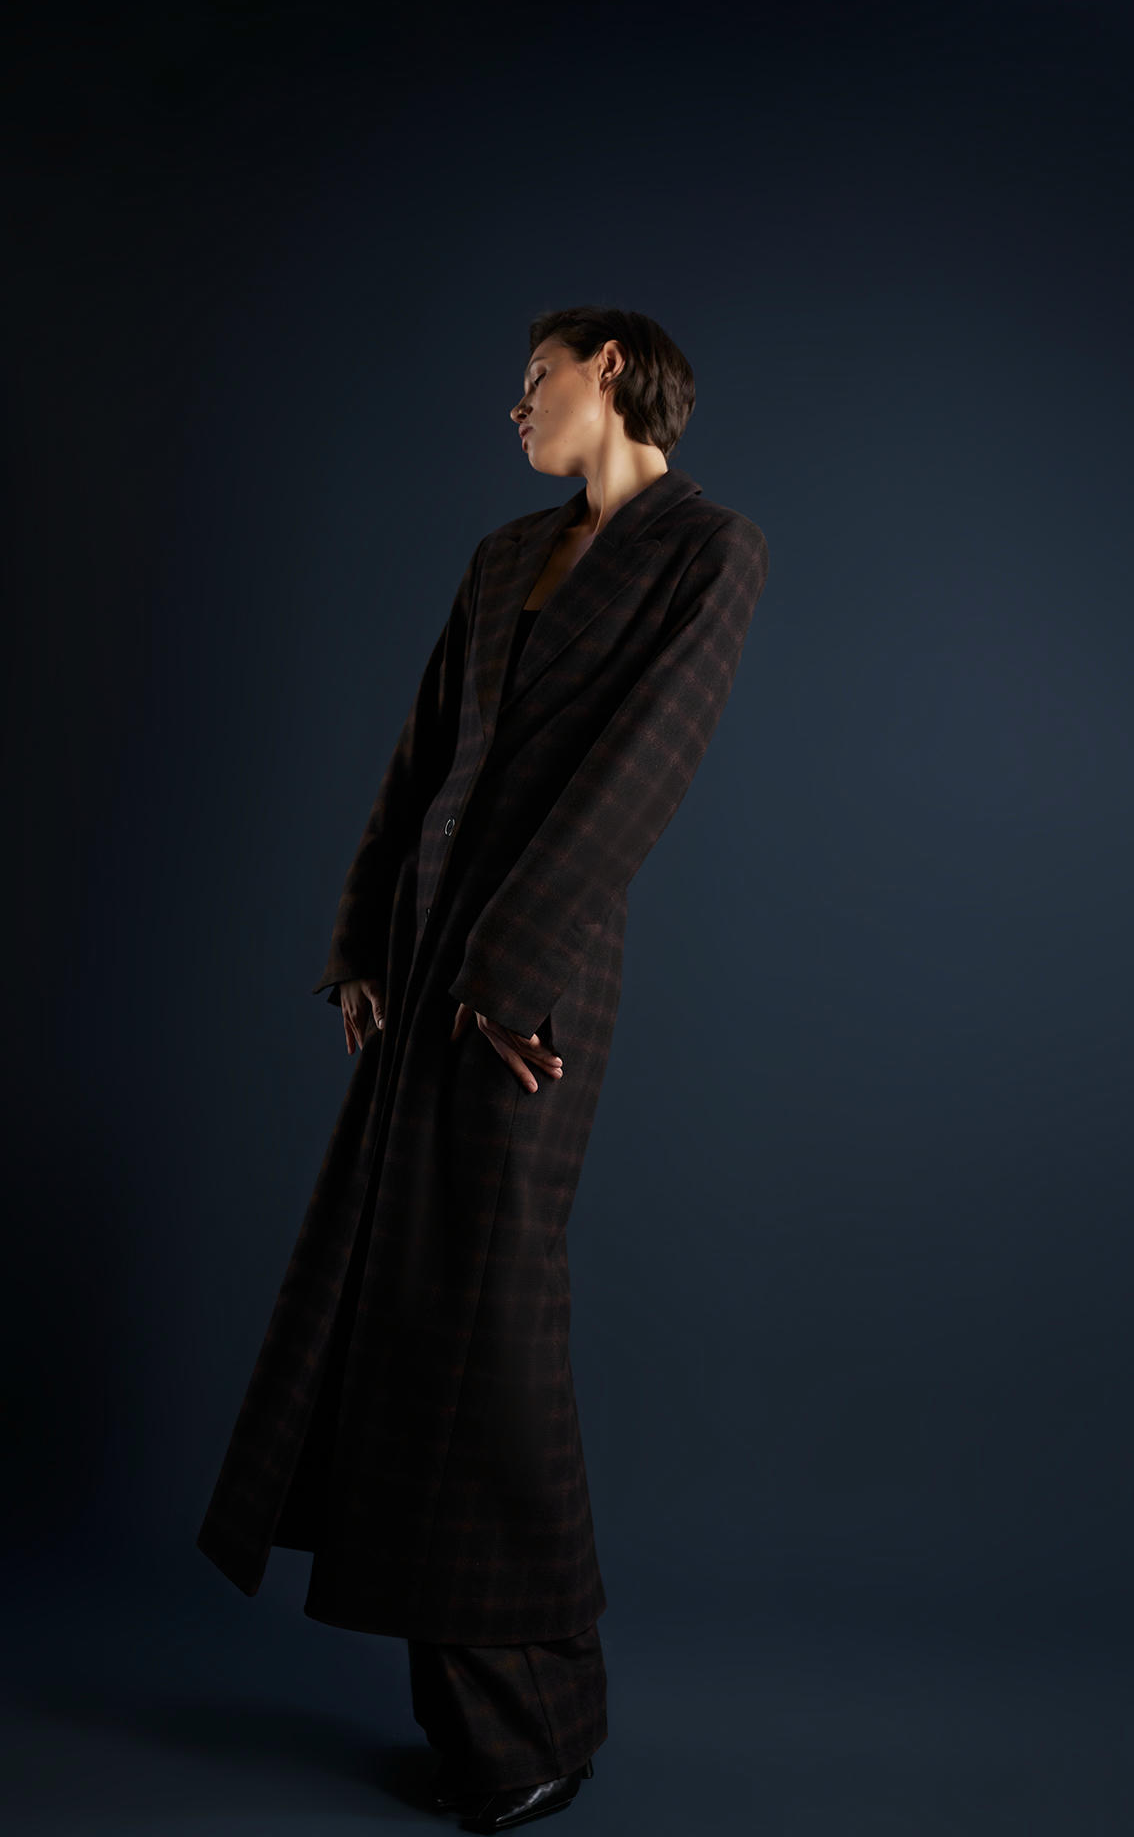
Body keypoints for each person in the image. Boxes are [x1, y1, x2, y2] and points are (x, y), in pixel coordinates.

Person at [196, 306, 770, 1833]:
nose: (515, 404)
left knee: (485, 1327)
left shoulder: (712, 551)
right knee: (404, 1308)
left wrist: (504, 976)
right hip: (425, 962)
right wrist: (361, 942)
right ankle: (487, 1727)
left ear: (612, 373)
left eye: (536, 378)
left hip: (532, 984)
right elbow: (424, 757)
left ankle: (534, 1721)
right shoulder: (505, 553)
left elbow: (637, 778)